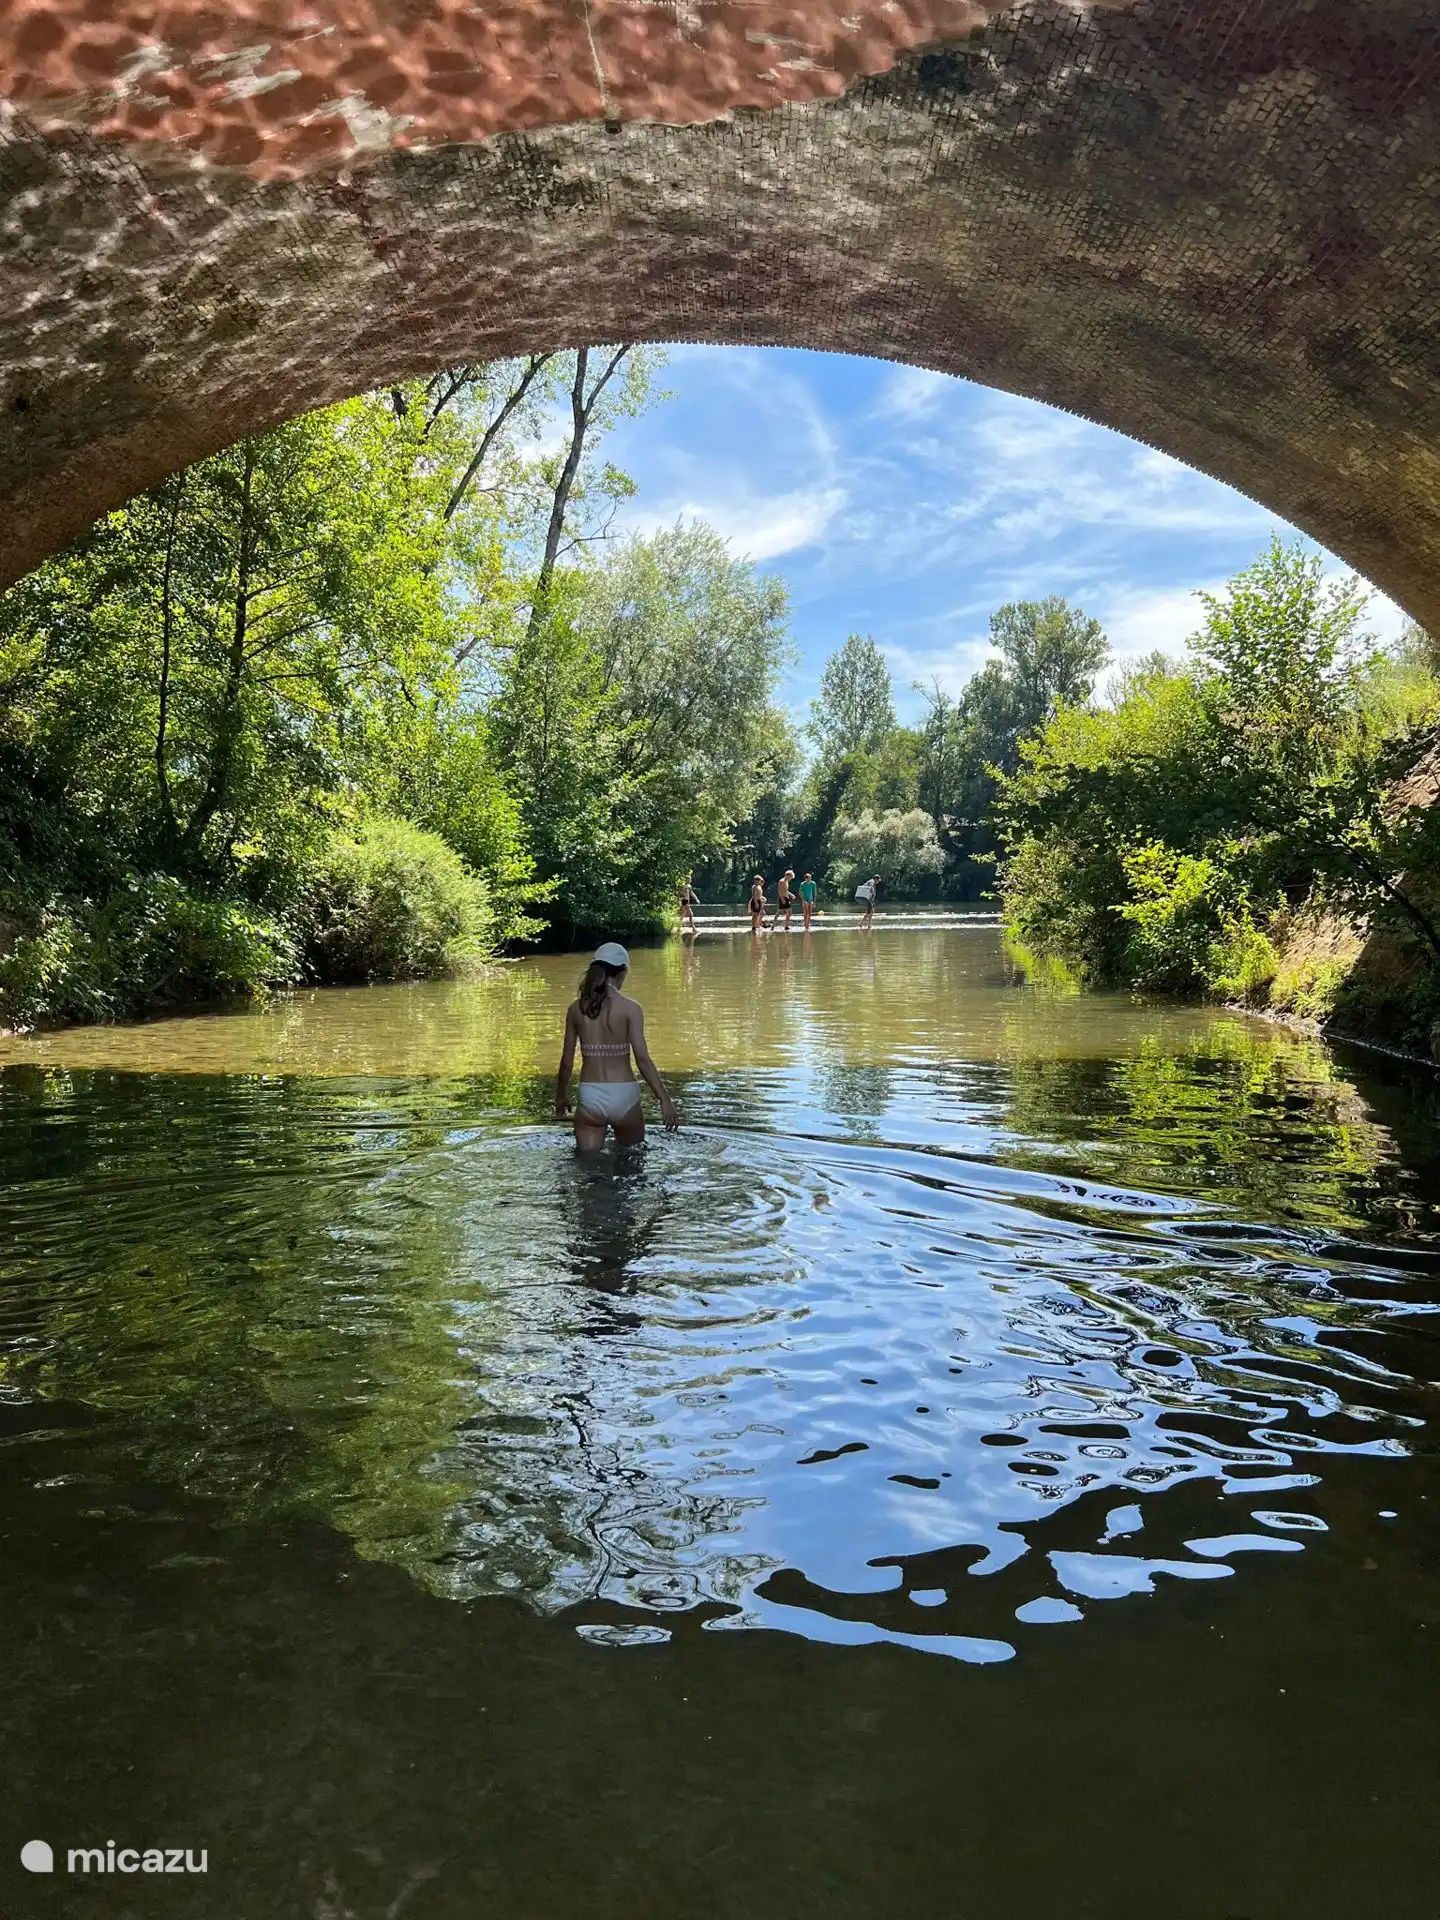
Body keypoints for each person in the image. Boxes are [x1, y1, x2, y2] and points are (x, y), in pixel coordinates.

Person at [555, 942, 679, 1149]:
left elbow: (566, 1063)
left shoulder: (576, 1009)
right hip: (625, 1095)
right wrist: (664, 1100)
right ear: (623, 972)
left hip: (590, 1094)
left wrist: (560, 1097)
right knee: (632, 1163)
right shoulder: (631, 1008)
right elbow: (642, 1059)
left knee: (587, 1168)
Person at [768, 868, 797, 932]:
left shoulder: (786, 882)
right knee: (780, 912)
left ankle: (785, 926)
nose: (790, 879)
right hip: (783, 898)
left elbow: (785, 890)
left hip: (786, 898)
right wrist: (782, 898)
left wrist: (791, 895)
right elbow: (779, 891)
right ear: (787, 875)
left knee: (787, 912)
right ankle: (775, 926)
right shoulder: (782, 881)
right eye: (790, 877)